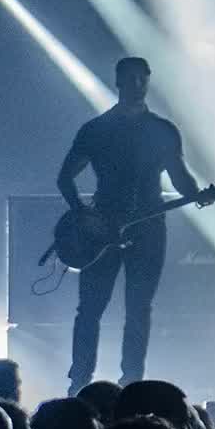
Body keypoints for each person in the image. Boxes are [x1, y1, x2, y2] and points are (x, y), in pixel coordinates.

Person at [57, 56, 203, 394]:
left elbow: (180, 177)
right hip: (100, 230)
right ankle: (80, 382)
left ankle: (131, 381)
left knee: (139, 307)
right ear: (118, 81)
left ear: (148, 81)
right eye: (131, 78)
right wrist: (82, 214)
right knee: (91, 307)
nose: (137, 84)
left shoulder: (162, 130)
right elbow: (65, 177)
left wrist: (198, 194)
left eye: (142, 78)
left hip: (149, 227)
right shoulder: (95, 130)